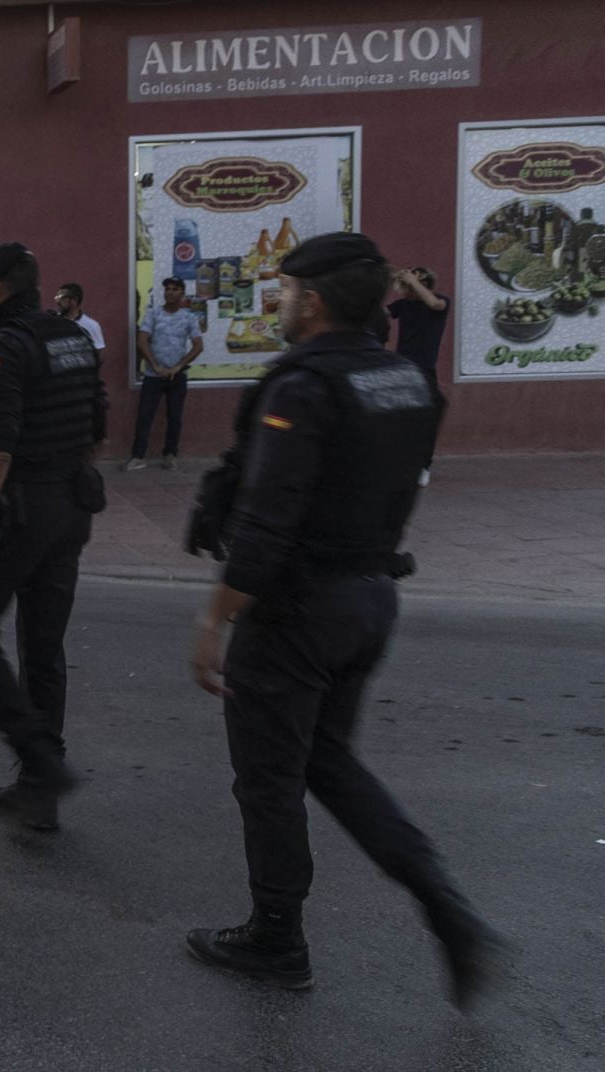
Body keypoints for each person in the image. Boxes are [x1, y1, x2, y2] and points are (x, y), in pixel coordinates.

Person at [182, 232, 503, 1007]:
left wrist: (215, 620)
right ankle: (444, 904)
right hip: (370, 597)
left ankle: (276, 937)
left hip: (299, 610)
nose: (280, 304)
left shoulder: (305, 385)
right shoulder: (403, 380)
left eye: (286, 292)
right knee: (329, 762)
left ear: (314, 300)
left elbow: (269, 523)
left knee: (270, 780)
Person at [0, 244, 105, 833]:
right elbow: (96, 429)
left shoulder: (5, 345)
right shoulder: (75, 338)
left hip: (23, 508)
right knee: (44, 644)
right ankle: (41, 788)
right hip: (72, 504)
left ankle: (39, 761)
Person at [126, 277, 204, 470]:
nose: (170, 292)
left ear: (182, 293)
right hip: (154, 375)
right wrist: (155, 365)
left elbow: (197, 346)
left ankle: (170, 454)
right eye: (168, 289)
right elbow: (142, 340)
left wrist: (178, 366)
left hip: (176, 376)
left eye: (175, 289)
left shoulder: (189, 317)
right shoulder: (153, 314)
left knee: (175, 416)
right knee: (145, 416)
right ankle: (138, 456)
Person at [387, 266, 450, 486]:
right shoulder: (403, 305)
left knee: (429, 416)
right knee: (399, 417)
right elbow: (381, 314)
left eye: (410, 287)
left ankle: (423, 466)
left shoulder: (440, 302)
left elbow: (433, 304)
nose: (406, 292)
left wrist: (413, 281)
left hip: (424, 370)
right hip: (401, 368)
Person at [54, 283, 106, 360]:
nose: (58, 302)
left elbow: (100, 355)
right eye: (56, 298)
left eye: (62, 298)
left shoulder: (91, 325)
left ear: (74, 300)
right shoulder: (53, 322)